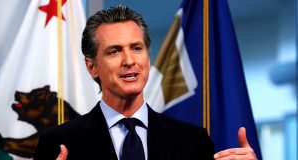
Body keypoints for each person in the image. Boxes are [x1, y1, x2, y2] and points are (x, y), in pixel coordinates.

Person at [34, 5, 257, 160]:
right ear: (92, 67)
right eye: (114, 51)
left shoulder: (193, 141)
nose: (129, 61)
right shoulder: (58, 143)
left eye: (136, 48)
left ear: (148, 58)